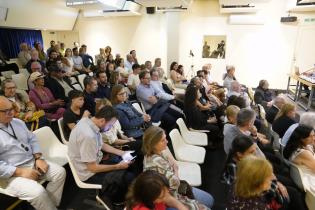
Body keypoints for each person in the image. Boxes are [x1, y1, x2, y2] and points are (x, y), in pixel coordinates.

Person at [0, 96, 66, 210]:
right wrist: (20, 172)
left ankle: (50, 206)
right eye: (6, 111)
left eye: (11, 108)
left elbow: (32, 139)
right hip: (9, 175)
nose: (11, 112)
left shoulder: (17, 122)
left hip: (31, 162)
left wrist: (38, 158)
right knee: (38, 192)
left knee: (60, 173)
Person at [67, 105, 135, 204]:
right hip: (89, 174)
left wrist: (122, 152)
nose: (109, 128)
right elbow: (92, 168)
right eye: (110, 125)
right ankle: (116, 200)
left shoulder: (87, 121)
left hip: (94, 162)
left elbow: (101, 144)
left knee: (128, 166)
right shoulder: (88, 136)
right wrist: (117, 167)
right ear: (102, 120)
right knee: (128, 177)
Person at [142, 126, 213, 209]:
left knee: (209, 200)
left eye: (165, 138)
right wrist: (176, 170)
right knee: (208, 203)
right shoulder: (155, 163)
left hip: (174, 192)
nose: (167, 142)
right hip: (171, 197)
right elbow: (175, 183)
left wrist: (174, 167)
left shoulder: (156, 153)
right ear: (153, 144)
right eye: (163, 140)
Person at [284, 125, 315, 194]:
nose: (314, 138)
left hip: (302, 178)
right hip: (310, 181)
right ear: (302, 138)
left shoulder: (296, 147)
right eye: (311, 136)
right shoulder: (304, 153)